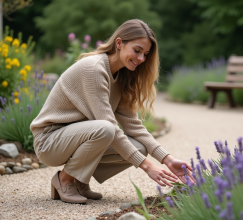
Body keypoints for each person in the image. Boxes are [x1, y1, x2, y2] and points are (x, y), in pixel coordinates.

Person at [30, 19, 195, 204]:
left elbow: (134, 127)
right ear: (119, 43)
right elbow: (109, 126)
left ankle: (78, 179)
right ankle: (65, 180)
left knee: (139, 147)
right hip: (50, 141)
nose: (141, 59)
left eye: (145, 54)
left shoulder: (124, 75)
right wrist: (148, 167)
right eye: (137, 50)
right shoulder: (94, 69)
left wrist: (167, 159)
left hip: (75, 137)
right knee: (106, 129)